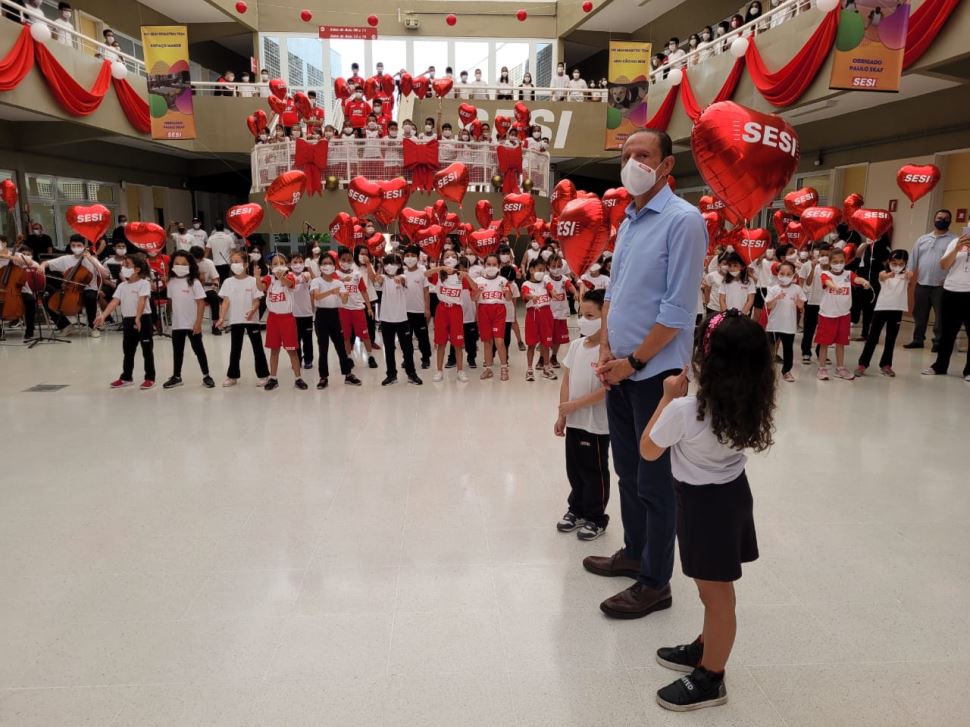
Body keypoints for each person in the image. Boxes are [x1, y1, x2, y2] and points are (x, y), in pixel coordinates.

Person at [586, 128, 707, 620]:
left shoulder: (684, 221)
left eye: (643, 155)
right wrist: (610, 349)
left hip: (655, 373)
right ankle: (635, 552)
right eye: (625, 155)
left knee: (656, 482)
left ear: (665, 166)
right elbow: (613, 290)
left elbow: (678, 308)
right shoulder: (630, 218)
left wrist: (633, 361)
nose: (632, 163)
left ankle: (656, 582)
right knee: (628, 471)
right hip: (620, 370)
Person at [642, 311, 774, 712]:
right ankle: (706, 644)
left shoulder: (686, 409)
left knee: (716, 595)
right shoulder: (746, 400)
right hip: (730, 495)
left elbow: (649, 449)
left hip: (704, 506)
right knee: (711, 588)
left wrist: (666, 396)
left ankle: (711, 676)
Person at [555, 288, 610, 541]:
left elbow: (607, 391)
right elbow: (566, 380)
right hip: (574, 420)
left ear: (605, 316)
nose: (583, 321)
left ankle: (596, 517)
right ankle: (576, 509)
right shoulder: (577, 345)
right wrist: (563, 412)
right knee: (575, 468)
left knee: (594, 470)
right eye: (581, 315)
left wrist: (575, 406)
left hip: (596, 424)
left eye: (590, 316)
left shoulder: (609, 350)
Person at [94, 254, 155, 389]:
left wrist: (138, 318)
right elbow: (114, 301)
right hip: (127, 320)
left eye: (127, 265)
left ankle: (150, 377)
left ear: (137, 269)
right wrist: (103, 316)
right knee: (128, 350)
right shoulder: (122, 286)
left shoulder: (144, 283)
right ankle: (126, 377)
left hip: (143, 319)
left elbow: (142, 301)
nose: (123, 268)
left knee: (147, 350)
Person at [815, 248, 871, 381]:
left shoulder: (848, 273)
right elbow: (827, 282)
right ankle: (822, 368)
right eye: (835, 261)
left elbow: (856, 278)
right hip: (827, 314)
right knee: (825, 343)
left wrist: (863, 282)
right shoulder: (825, 274)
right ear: (829, 262)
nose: (838, 263)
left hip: (844, 314)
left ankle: (840, 368)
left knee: (841, 342)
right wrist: (834, 287)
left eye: (841, 261)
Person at [904, 209, 957, 351]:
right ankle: (918, 340)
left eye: (946, 218)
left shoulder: (954, 240)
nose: (942, 220)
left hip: (942, 285)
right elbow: (913, 258)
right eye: (939, 217)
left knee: (941, 317)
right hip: (922, 283)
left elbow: (956, 262)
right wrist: (909, 273)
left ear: (950, 221)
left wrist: (949, 279)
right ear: (934, 219)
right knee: (919, 314)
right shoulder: (923, 239)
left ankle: (938, 343)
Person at [922, 229, 970, 381]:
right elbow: (943, 265)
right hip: (951, 291)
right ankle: (940, 366)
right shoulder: (955, 242)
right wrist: (957, 249)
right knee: (947, 332)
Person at [216, 251, 269, 387]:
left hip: (252, 320)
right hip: (236, 320)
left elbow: (257, 300)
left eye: (237, 261)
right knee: (235, 348)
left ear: (245, 264)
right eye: (232, 261)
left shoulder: (252, 281)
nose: (234, 264)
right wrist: (222, 317)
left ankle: (263, 375)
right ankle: (232, 376)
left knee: (257, 348)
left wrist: (253, 310)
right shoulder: (228, 282)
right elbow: (226, 301)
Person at [856, 250, 912, 377]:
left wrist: (908, 274)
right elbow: (881, 277)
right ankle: (862, 364)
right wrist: (888, 275)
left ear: (905, 264)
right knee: (872, 338)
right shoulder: (884, 273)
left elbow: (910, 275)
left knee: (891, 339)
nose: (897, 266)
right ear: (889, 262)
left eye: (901, 263)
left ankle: (886, 365)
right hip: (881, 309)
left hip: (897, 310)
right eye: (894, 263)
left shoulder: (906, 275)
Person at [162, 251, 213, 389]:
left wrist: (198, 323)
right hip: (177, 324)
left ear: (190, 265)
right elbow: (172, 301)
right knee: (177, 351)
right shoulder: (171, 282)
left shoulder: (194, 282)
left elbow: (201, 303)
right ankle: (176, 376)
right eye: (177, 263)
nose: (180, 266)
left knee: (199, 350)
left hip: (192, 324)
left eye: (184, 264)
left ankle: (206, 375)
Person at [40, 235, 109, 337]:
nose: (76, 247)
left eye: (79, 245)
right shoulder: (65, 259)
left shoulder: (92, 259)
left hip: (89, 288)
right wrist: (42, 266)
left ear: (84, 246)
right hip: (69, 289)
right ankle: (65, 326)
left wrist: (91, 258)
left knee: (90, 296)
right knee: (46, 299)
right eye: (73, 245)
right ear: (70, 245)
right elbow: (46, 263)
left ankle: (92, 327)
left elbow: (105, 275)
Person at [257, 253, 307, 390]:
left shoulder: (290, 276)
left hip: (287, 319)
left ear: (286, 265)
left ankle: (298, 378)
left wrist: (281, 276)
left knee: (292, 351)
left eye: (281, 263)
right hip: (273, 318)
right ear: (270, 266)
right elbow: (261, 288)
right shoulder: (268, 278)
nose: (278, 266)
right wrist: (256, 276)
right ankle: (273, 378)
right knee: (274, 350)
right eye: (275, 263)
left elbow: (289, 284)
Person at [310, 254, 360, 388]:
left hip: (335, 315)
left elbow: (344, 300)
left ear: (334, 266)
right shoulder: (316, 281)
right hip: (321, 316)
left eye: (330, 263)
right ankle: (323, 377)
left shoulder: (338, 282)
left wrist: (344, 295)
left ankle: (348, 374)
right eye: (324, 263)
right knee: (323, 347)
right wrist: (332, 291)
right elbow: (316, 297)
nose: (327, 266)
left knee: (341, 346)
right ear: (320, 266)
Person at [375, 252, 422, 386]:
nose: (390, 266)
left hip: (402, 319)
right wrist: (370, 265)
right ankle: (391, 375)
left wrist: (398, 279)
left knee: (407, 348)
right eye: (388, 263)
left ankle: (411, 374)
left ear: (400, 265)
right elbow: (377, 278)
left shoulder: (404, 276)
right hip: (386, 319)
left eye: (394, 263)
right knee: (389, 348)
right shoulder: (383, 278)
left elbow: (401, 279)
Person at [427, 251, 474, 383]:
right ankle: (439, 370)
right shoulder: (438, 275)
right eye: (447, 257)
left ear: (458, 261)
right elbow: (425, 274)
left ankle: (460, 370)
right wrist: (440, 267)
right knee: (440, 342)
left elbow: (475, 287)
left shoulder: (460, 276)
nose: (450, 259)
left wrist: (467, 276)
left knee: (458, 343)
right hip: (442, 309)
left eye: (453, 256)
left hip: (456, 310)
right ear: (442, 260)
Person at [337, 246, 378, 369]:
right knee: (346, 336)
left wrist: (369, 307)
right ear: (339, 261)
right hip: (343, 310)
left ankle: (370, 356)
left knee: (365, 334)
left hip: (358, 309)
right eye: (343, 260)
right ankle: (348, 357)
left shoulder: (357, 274)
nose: (346, 262)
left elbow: (364, 291)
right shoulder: (335, 275)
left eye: (349, 260)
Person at [765, 260, 806, 382]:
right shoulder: (773, 289)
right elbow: (768, 306)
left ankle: (786, 371)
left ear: (794, 274)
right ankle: (766, 370)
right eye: (782, 273)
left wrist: (799, 302)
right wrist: (776, 298)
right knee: (769, 348)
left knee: (788, 349)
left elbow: (801, 305)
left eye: (789, 274)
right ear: (777, 274)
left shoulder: (797, 289)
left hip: (788, 326)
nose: (785, 276)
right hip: (773, 325)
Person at [474, 253, 512, 381]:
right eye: (488, 264)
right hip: (483, 310)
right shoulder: (478, 281)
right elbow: (473, 298)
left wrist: (507, 293)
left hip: (498, 311)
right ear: (484, 266)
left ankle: (504, 367)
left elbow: (509, 299)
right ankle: (488, 369)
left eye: (494, 264)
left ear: (499, 266)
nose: (491, 267)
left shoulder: (503, 280)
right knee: (487, 342)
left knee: (499, 341)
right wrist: (478, 291)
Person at [522, 258, 557, 382]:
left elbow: (551, 288)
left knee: (546, 344)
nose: (542, 272)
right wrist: (532, 296)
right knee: (531, 344)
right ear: (531, 270)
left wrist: (553, 292)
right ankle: (529, 369)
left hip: (546, 314)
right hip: (533, 315)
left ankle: (546, 368)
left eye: (543, 270)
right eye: (539, 270)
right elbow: (525, 294)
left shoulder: (545, 281)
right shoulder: (526, 284)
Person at [545, 255, 573, 367]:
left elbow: (570, 286)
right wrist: (552, 292)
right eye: (553, 266)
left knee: (557, 339)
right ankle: (543, 358)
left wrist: (575, 293)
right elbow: (549, 286)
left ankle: (554, 357)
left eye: (559, 266)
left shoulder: (564, 279)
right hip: (548, 313)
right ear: (548, 267)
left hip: (561, 313)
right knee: (546, 337)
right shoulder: (546, 278)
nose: (556, 268)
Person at [289, 254, 314, 370]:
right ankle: (297, 360)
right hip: (293, 314)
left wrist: (307, 275)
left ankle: (308, 359)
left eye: (300, 261)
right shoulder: (288, 277)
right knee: (295, 340)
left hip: (307, 314)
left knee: (308, 339)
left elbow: (308, 277)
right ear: (290, 264)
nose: (298, 264)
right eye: (295, 262)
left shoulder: (306, 275)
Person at [189, 246, 221, 336]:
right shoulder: (187, 263)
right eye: (196, 259)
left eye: (200, 259)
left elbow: (215, 278)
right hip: (191, 290)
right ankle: (189, 325)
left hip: (206, 289)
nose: (198, 261)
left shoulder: (208, 263)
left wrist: (215, 284)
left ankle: (215, 325)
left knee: (214, 298)